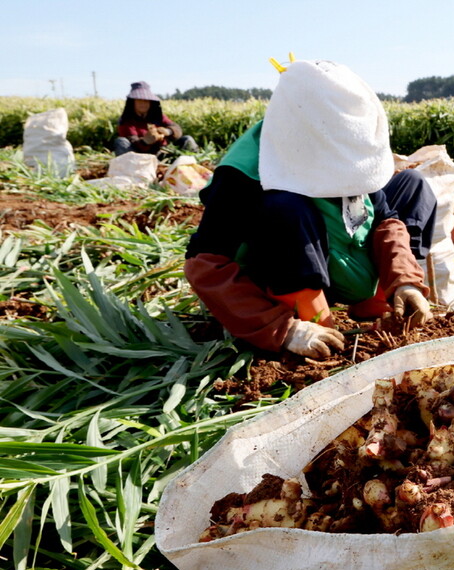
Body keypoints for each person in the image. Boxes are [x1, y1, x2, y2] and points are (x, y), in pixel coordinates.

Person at [183, 60, 436, 360]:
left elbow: (385, 220)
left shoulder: (342, 142)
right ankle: (315, 321)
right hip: (283, 277)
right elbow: (206, 265)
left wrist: (405, 281)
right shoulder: (243, 173)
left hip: (343, 255)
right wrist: (283, 329)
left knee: (413, 185)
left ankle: (383, 303)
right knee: (285, 207)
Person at [112, 81, 199, 156]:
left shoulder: (158, 117)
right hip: (139, 157)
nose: (143, 103)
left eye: (146, 101)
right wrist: (145, 141)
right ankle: (131, 171)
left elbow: (177, 128)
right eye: (139, 100)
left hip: (163, 153)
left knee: (187, 139)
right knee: (120, 142)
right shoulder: (127, 120)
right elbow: (132, 141)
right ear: (133, 103)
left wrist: (168, 131)